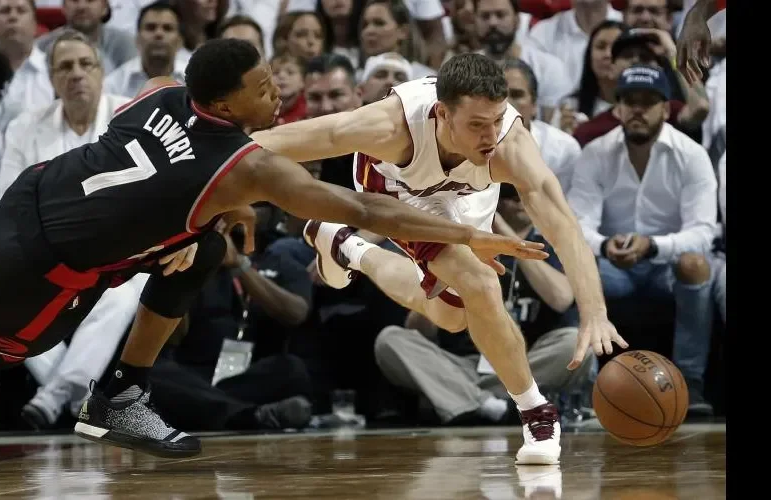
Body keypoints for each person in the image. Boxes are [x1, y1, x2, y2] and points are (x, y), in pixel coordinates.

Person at [0, 39, 546, 459]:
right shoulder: (246, 169)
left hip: (39, 190)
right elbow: (365, 209)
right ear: (221, 107)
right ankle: (104, 391)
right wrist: (470, 234)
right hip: (45, 264)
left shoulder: (159, 92)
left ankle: (120, 394)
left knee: (206, 250)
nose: (277, 97)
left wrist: (201, 218)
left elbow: (155, 170)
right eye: (263, 90)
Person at [251, 52, 627, 465]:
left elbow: (565, 228)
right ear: (443, 114)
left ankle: (347, 248)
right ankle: (536, 411)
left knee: (453, 316)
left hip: (468, 194)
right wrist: (207, 175)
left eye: (497, 120)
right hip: (398, 188)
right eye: (478, 125)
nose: (491, 135)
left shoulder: (508, 146)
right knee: (481, 285)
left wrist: (595, 310)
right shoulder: (391, 126)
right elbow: (273, 144)